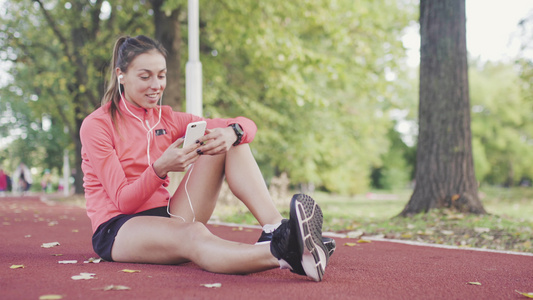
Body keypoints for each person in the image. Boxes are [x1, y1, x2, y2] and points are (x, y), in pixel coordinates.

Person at [80, 35, 335, 282]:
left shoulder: (167, 118)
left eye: (161, 75)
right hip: (119, 228)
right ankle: (285, 252)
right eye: (145, 76)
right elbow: (124, 202)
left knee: (229, 141)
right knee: (194, 234)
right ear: (120, 74)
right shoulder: (97, 125)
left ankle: (277, 230)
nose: (156, 85)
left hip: (168, 216)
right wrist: (160, 168)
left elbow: (246, 126)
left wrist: (232, 132)